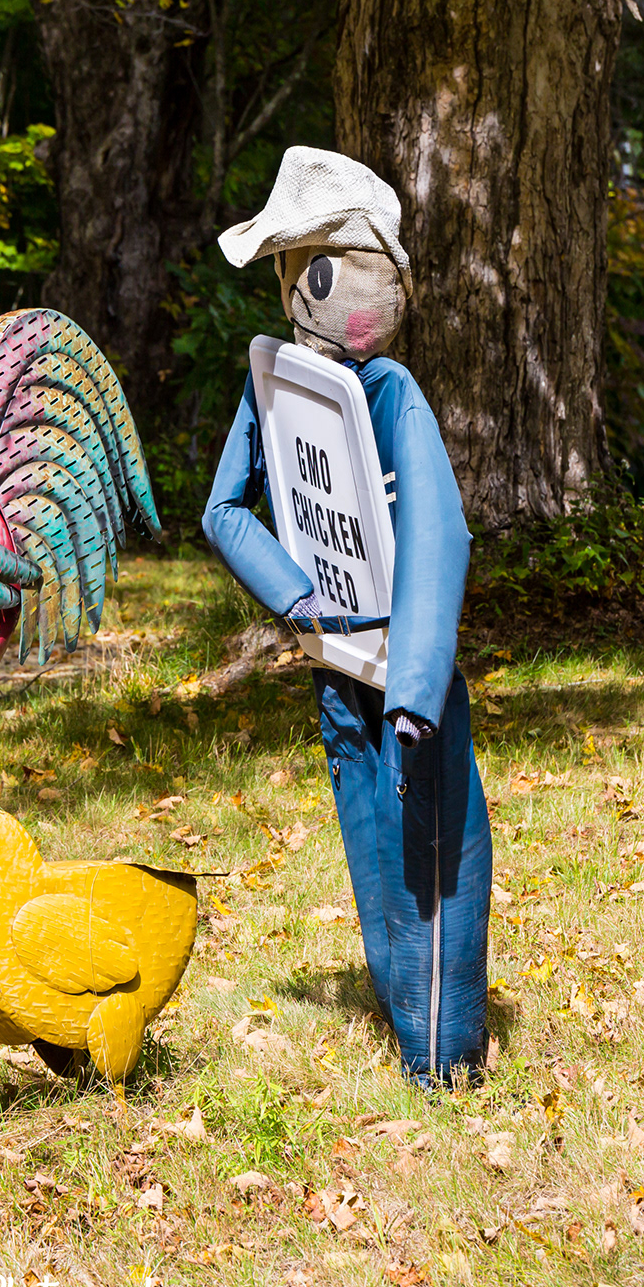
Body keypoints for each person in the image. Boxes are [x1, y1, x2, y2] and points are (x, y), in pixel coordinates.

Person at [202, 147, 493, 1083]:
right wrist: (296, 591)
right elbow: (224, 510)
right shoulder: (276, 386)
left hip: (396, 673)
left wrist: (415, 686)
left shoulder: (390, 392)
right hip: (335, 659)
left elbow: (437, 537)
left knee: (433, 855)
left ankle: (442, 1056)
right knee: (376, 848)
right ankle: (410, 1022)